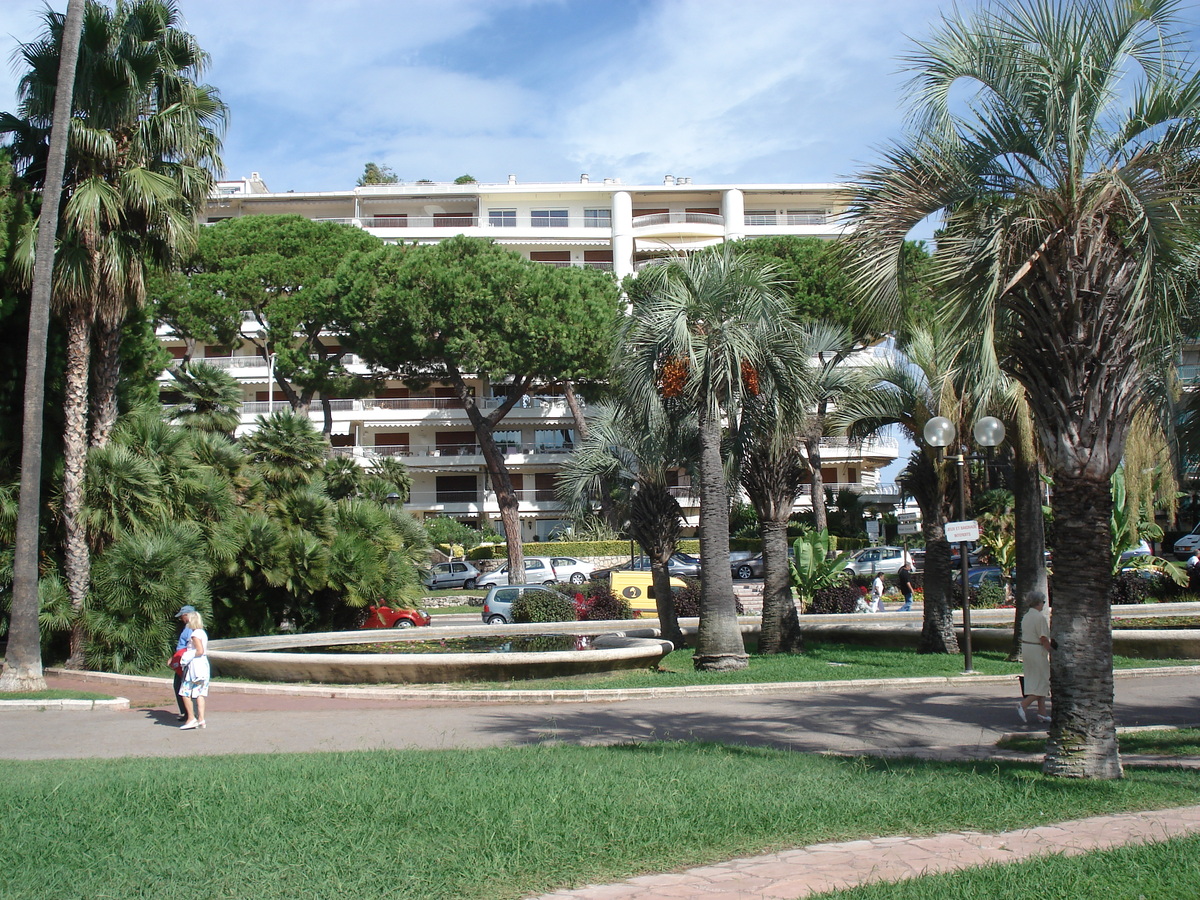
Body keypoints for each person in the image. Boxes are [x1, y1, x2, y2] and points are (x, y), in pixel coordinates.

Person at [1018, 591, 1052, 725]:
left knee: (1036, 679)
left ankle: (1042, 713)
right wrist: (1050, 650)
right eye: (1043, 602)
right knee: (1043, 680)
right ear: (1038, 602)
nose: (1043, 604)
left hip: (1027, 649)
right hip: (1037, 650)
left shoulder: (1026, 616)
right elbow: (1043, 637)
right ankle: (1024, 704)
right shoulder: (1039, 618)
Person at [178, 610, 210, 730]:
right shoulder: (202, 633)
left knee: (185, 691)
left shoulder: (195, 634)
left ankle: (191, 718)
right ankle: (201, 718)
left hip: (195, 666)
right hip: (203, 665)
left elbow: (199, 650)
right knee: (200, 693)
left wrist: (187, 656)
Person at [170, 605, 195, 721]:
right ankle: (187, 713)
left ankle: (190, 714)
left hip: (185, 661)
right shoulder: (188, 627)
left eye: (182, 616)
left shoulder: (191, 628)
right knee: (179, 686)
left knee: (182, 687)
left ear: (187, 615)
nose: (181, 619)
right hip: (181, 659)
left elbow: (190, 646)